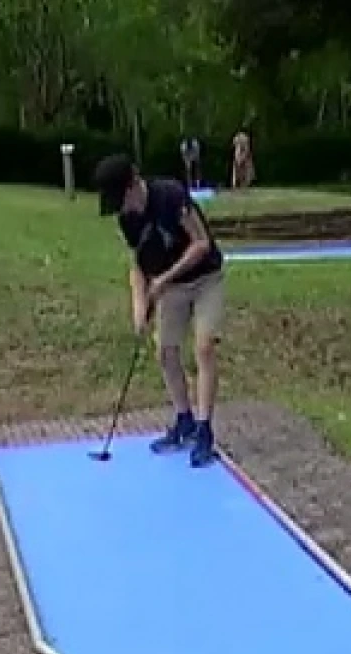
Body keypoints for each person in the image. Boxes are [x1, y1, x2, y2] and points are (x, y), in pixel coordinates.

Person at [93, 152, 227, 467]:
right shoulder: (128, 220)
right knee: (165, 351)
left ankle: (205, 430)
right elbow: (138, 266)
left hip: (206, 278)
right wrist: (139, 305)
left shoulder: (170, 196)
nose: (120, 208)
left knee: (204, 347)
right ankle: (185, 420)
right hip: (172, 288)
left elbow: (201, 244)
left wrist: (163, 280)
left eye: (119, 198)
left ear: (132, 186)